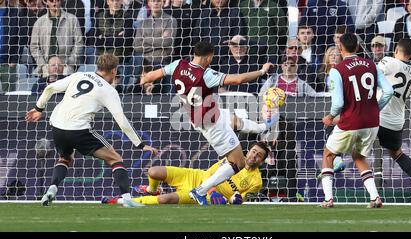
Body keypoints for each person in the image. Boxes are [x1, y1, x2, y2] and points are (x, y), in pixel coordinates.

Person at [140, 41, 273, 205]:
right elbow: (239, 79)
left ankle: (263, 126)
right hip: (211, 123)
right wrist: (262, 71)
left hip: (205, 115)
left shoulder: (177, 64)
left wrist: (145, 78)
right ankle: (200, 191)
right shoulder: (205, 75)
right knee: (238, 163)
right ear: (209, 57)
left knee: (233, 119)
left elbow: (154, 75)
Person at [25, 54, 158, 207]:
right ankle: (127, 199)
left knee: (65, 158)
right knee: (115, 158)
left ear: (98, 67)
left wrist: (38, 108)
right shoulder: (109, 91)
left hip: (57, 126)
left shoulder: (79, 75)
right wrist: (140, 144)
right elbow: (121, 120)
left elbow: (50, 87)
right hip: (79, 129)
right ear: (114, 71)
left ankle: (52, 189)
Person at [319, 33, 394, 208]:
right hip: (372, 122)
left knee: (328, 154)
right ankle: (375, 197)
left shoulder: (338, 69)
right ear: (359, 47)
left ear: (340, 48)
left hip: (351, 121)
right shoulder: (372, 65)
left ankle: (328, 198)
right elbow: (389, 91)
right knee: (358, 156)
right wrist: (376, 108)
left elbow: (338, 103)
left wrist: (330, 117)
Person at [102, 142, 269, 205]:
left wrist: (232, 199)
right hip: (196, 175)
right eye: (253, 151)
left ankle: (122, 201)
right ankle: (153, 189)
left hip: (207, 195)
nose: (254, 155)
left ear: (261, 161)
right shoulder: (234, 155)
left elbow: (237, 200)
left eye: (258, 155)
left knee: (165, 199)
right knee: (154, 171)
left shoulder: (256, 181)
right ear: (248, 151)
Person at [376, 38, 411, 206]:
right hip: (396, 121)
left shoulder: (388, 61)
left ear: (395, 50)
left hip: (378, 116)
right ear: (410, 54)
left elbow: (372, 74)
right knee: (397, 154)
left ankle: (336, 162)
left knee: (355, 145)